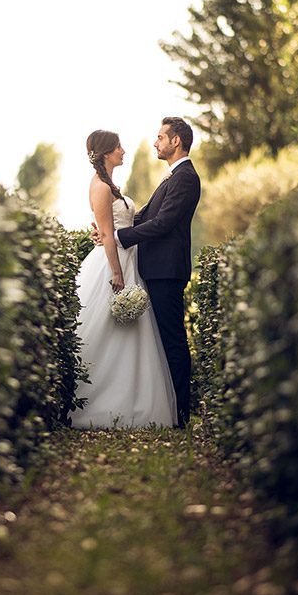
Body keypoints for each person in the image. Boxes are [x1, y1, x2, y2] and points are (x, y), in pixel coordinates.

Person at [92, 117, 201, 428]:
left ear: (176, 141)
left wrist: (119, 237)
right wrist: (109, 229)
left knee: (173, 341)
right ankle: (167, 408)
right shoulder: (172, 177)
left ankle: (180, 416)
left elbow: (164, 223)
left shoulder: (185, 178)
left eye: (160, 137)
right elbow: (145, 216)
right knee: (162, 340)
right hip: (155, 269)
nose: (155, 143)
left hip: (167, 271)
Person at [70, 130, 177, 429]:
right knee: (107, 330)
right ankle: (102, 403)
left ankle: (133, 399)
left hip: (130, 261)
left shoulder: (110, 185)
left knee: (131, 334)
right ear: (105, 152)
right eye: (118, 147)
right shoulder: (101, 187)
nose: (123, 151)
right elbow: (105, 234)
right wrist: (116, 272)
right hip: (113, 265)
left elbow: (115, 227)